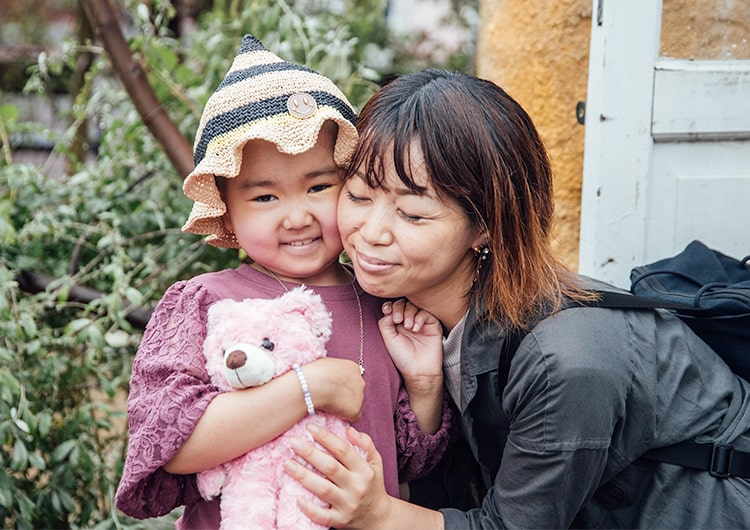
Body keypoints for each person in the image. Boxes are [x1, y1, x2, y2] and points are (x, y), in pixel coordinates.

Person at [283, 69, 750, 529]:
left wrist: (379, 514)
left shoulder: (566, 360)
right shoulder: (417, 314)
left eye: (412, 213)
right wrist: (425, 388)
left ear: (485, 226)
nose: (371, 233)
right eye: (360, 196)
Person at [114, 38, 453, 529]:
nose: (297, 216)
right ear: (227, 211)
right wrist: (309, 387)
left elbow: (410, 460)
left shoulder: (384, 303)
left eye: (319, 187)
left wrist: (423, 386)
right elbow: (170, 443)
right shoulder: (205, 302)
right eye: (265, 197)